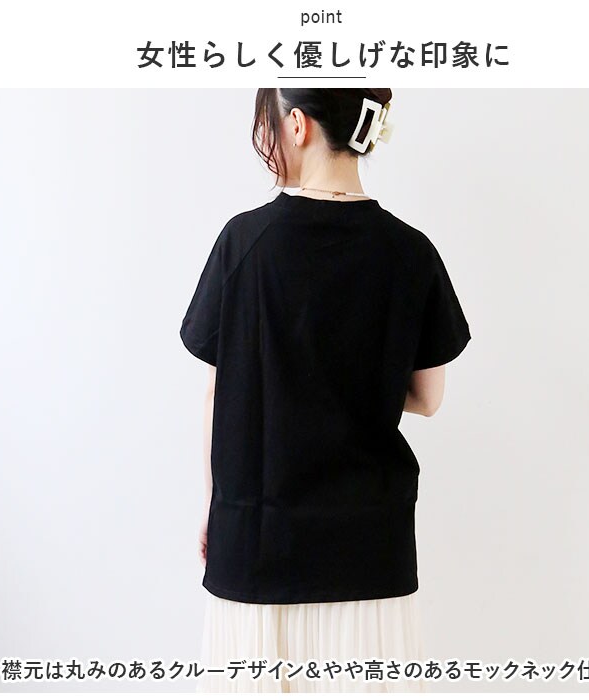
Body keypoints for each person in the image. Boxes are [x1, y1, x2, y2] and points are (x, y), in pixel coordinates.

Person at [180, 88, 472, 693]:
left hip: (256, 543)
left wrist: (213, 506)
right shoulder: (411, 252)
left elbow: (217, 394)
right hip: (369, 550)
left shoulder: (244, 244)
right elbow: (428, 397)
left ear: (297, 124)